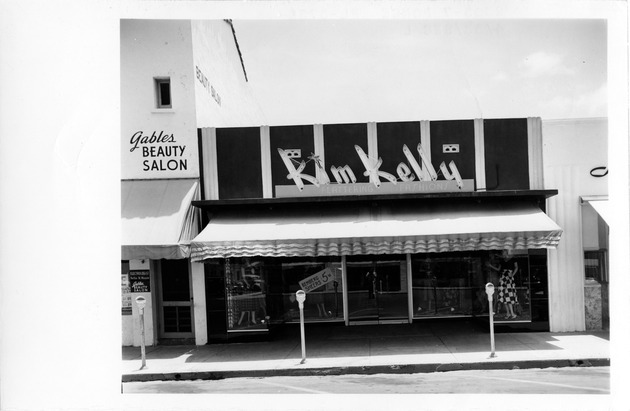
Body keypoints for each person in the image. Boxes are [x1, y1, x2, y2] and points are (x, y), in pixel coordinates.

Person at [497, 250, 519, 319]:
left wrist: (512, 274)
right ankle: (508, 313)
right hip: (503, 278)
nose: (503, 254)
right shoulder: (502, 260)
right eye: (502, 253)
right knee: (503, 296)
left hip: (509, 278)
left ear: (506, 253)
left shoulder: (512, 259)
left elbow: (516, 267)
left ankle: (512, 313)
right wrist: (490, 266)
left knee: (508, 295)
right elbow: (499, 269)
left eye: (503, 253)